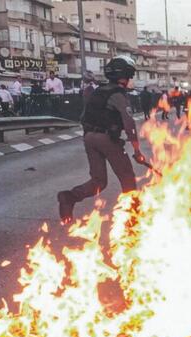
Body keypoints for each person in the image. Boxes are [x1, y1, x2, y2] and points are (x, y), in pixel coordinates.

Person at [57, 56, 144, 224]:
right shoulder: (118, 94)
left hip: (89, 137)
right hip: (106, 139)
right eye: (130, 76)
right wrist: (137, 150)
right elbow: (129, 123)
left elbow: (84, 117)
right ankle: (132, 219)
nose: (130, 80)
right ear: (125, 75)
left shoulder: (98, 91)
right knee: (127, 178)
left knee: (98, 181)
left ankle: (69, 197)